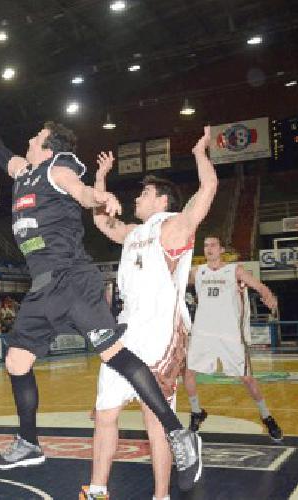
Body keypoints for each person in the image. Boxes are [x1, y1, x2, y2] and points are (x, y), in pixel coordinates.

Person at [0, 100, 202, 489]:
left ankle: (176, 432)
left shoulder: (58, 166)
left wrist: (99, 198)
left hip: (71, 277)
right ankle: (29, 442)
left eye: (35, 138)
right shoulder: (25, 171)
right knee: (17, 362)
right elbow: (2, 155)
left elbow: (80, 191)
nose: (29, 141)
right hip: (40, 287)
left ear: (48, 147)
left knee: (115, 356)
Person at [82, 129, 216, 500]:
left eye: (143, 193)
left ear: (161, 200)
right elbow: (100, 222)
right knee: (105, 413)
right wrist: (100, 181)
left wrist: (199, 153)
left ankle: (161, 495)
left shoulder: (173, 227)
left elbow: (207, 191)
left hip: (159, 333)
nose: (136, 198)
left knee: (155, 421)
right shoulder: (133, 233)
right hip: (125, 331)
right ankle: (96, 490)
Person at [184, 235, 283, 441]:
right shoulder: (197, 272)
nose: (209, 248)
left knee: (247, 378)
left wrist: (268, 295)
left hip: (230, 334)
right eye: (206, 245)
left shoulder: (234, 270)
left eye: (213, 245)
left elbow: (258, 285)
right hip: (203, 332)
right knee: (188, 372)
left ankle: (266, 416)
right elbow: (173, 282)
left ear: (221, 250)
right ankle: (196, 412)